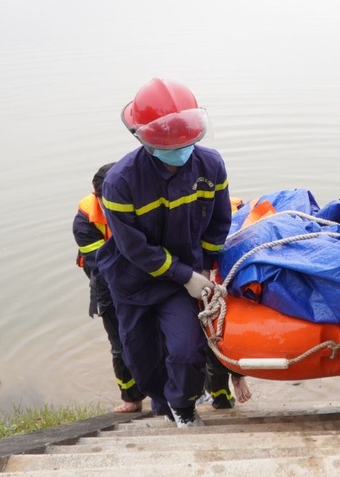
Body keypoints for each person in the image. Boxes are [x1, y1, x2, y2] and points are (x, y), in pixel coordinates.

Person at [96, 78, 233, 428]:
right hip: (134, 280)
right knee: (140, 358)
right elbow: (134, 248)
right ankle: (163, 402)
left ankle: (184, 407)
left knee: (187, 350)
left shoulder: (210, 166)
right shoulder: (121, 182)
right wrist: (186, 275)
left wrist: (210, 267)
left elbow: (218, 221)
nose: (181, 148)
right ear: (143, 137)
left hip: (183, 278)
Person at [72, 163, 146, 413]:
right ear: (97, 197)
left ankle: (167, 392)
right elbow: (101, 263)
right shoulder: (85, 220)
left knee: (158, 335)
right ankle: (131, 398)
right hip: (107, 282)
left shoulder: (141, 202)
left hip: (146, 274)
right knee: (120, 342)